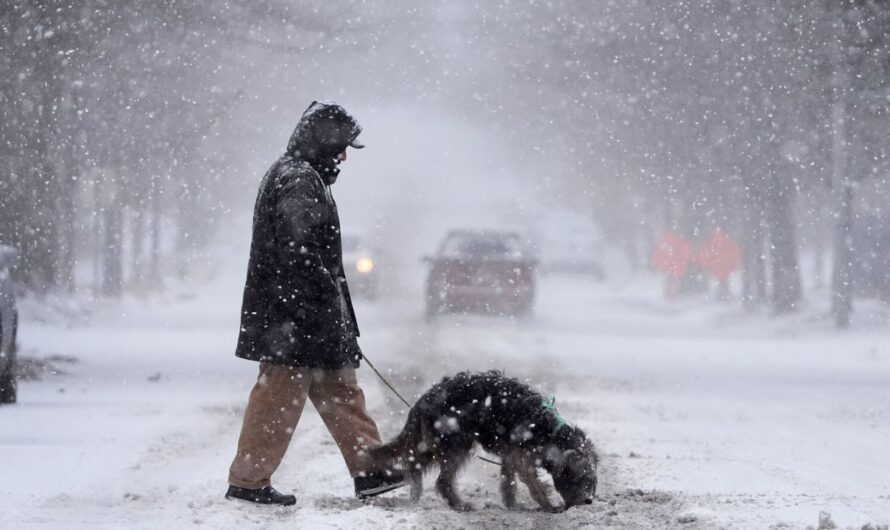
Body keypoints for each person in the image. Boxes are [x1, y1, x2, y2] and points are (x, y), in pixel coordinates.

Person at [226, 101, 404, 506]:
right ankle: (248, 482)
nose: (343, 156)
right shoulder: (297, 180)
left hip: (306, 316)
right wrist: (323, 301)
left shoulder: (304, 176)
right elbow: (299, 251)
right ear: (322, 142)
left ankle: (371, 470)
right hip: (292, 318)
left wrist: (334, 315)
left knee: (341, 390)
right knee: (278, 398)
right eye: (341, 146)